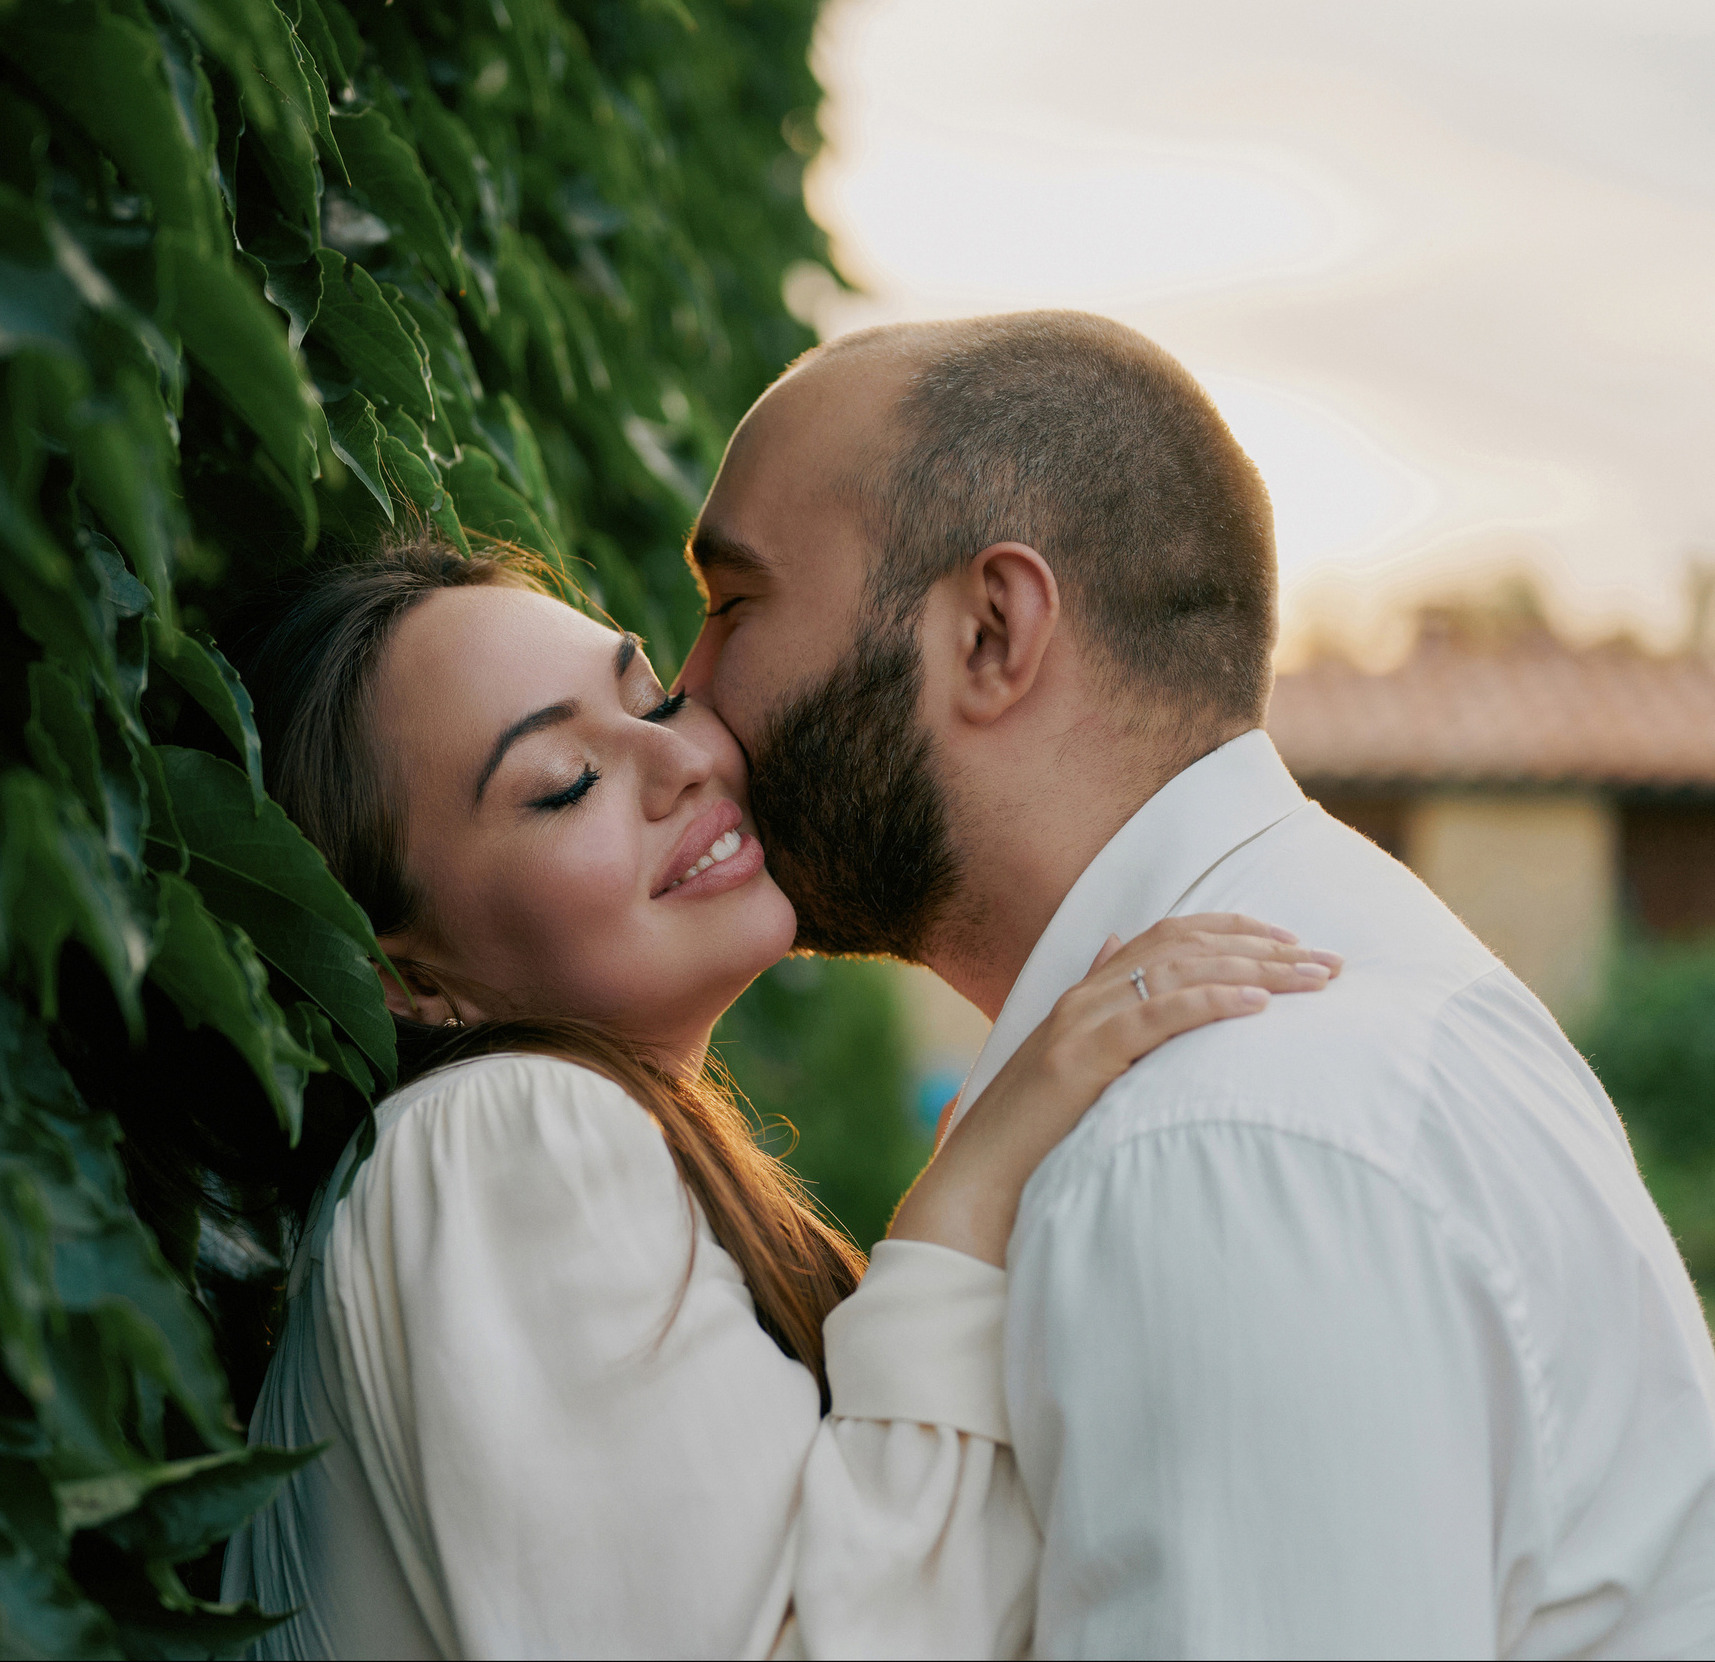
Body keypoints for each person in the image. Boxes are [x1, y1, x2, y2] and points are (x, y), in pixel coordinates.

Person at [677, 309, 1715, 1657]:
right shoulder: (1315, 1025)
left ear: (992, 633)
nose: (685, 693)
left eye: (732, 605)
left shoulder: (1210, 1138)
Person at [216, 539, 1340, 1658]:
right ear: (405, 977)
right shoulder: (498, 1138)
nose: (680, 759)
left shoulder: (539, 1161)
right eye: (564, 781)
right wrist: (967, 1201)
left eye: (652, 699)